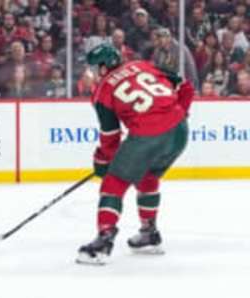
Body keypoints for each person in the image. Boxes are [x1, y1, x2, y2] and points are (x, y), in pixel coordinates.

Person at [76, 44, 194, 265]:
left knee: (114, 182)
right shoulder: (143, 65)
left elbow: (110, 135)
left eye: (94, 68)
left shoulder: (102, 91)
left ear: (104, 67)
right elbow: (185, 86)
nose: (90, 73)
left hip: (149, 134)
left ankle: (103, 241)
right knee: (148, 176)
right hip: (179, 130)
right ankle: (149, 233)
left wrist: (103, 162)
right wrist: (180, 113)